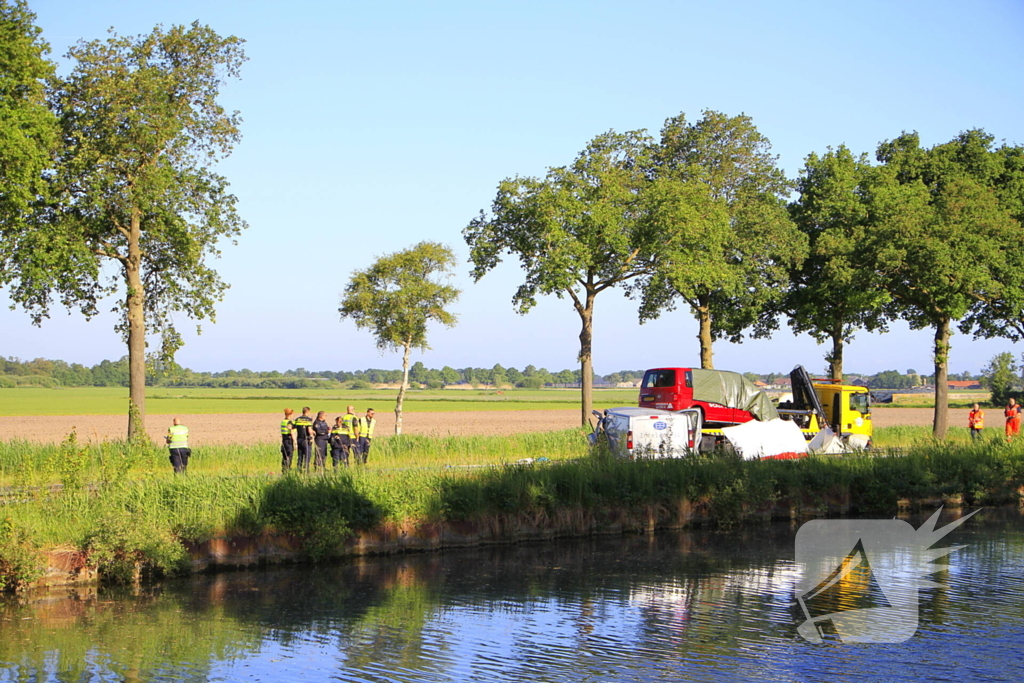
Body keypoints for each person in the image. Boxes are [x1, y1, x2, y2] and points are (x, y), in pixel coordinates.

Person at [292, 407, 315, 472]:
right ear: (308, 412)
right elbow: (309, 431)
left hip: (299, 439)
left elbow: (293, 429)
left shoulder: (297, 419)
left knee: (300, 456)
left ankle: (299, 469)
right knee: (307, 456)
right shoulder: (308, 420)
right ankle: (306, 470)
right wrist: (313, 432)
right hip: (306, 440)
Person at [280, 408, 296, 472]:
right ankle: (288, 470)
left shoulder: (283, 422)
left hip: (284, 440)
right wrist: (295, 443)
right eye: (292, 414)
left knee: (284, 456)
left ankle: (284, 470)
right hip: (289, 440)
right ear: (290, 414)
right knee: (289, 456)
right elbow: (292, 433)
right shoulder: (290, 422)